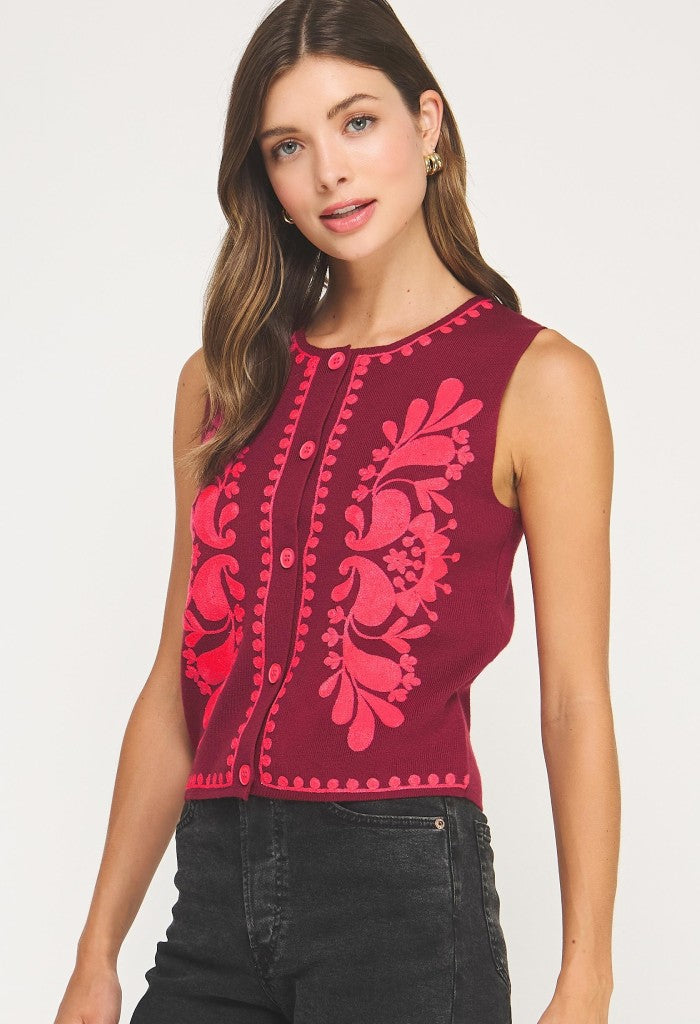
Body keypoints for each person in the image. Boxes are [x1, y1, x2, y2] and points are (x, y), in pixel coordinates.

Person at [53, 2, 620, 1022]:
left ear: (427, 124)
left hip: (403, 903)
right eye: (288, 146)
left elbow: (574, 699)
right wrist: (97, 951)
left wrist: (587, 976)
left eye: (357, 122)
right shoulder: (221, 381)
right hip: (212, 896)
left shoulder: (537, 380)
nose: (329, 173)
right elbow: (180, 681)